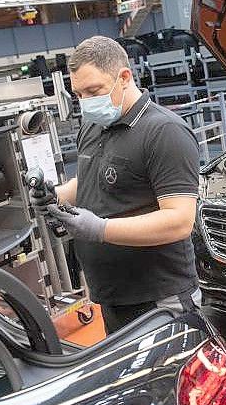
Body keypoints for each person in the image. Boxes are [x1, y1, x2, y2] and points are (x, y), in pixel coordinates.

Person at [30, 36, 201, 334]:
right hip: (111, 298)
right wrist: (54, 195)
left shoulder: (164, 132)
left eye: (93, 90)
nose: (86, 102)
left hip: (158, 301)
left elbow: (179, 221)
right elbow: (90, 178)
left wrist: (100, 229)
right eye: (78, 94)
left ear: (124, 77)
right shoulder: (94, 125)